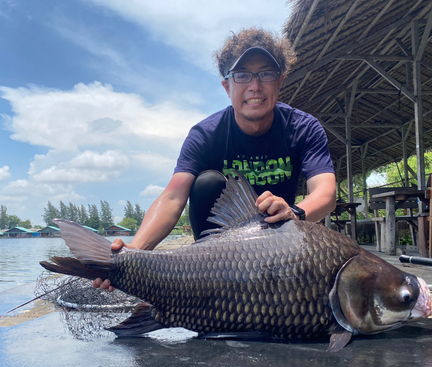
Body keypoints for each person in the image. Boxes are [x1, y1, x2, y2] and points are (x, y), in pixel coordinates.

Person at [93, 27, 337, 291]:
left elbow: (325, 193)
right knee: (207, 181)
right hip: (221, 250)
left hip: (280, 241)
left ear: (279, 82)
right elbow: (173, 197)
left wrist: (295, 212)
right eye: (242, 75)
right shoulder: (205, 134)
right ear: (227, 86)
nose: (255, 86)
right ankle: (207, 278)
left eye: (265, 74)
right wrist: (131, 252)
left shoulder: (304, 127)